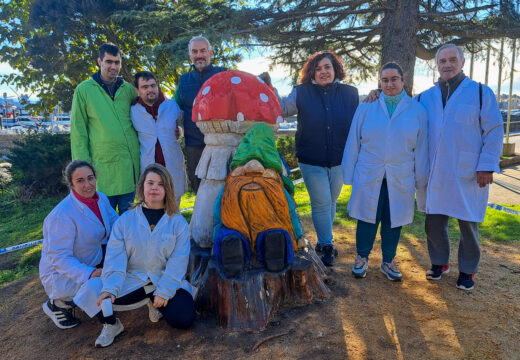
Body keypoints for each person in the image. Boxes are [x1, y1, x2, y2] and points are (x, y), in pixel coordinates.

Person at [365, 44, 503, 290]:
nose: (447, 65)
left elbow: (493, 131)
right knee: (434, 222)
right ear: (437, 65)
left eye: (452, 60)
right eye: (442, 61)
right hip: (434, 172)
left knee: (468, 223)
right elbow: (401, 109)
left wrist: (487, 166)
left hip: (468, 172)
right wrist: (378, 92)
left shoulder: (481, 93)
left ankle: (468, 270)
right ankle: (440, 263)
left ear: (462, 63)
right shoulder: (424, 97)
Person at [342, 62, 429, 281]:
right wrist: (348, 174)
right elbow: (353, 142)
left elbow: (421, 148)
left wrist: (421, 180)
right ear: (380, 82)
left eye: (394, 79)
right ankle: (362, 257)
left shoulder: (417, 111)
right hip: (369, 174)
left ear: (403, 80)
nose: (389, 84)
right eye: (385, 80)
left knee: (393, 219)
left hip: (400, 176)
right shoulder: (366, 107)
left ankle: (388, 260)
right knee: (366, 218)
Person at [93, 163, 196, 348]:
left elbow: (178, 261)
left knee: (184, 319)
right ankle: (111, 325)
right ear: (142, 187)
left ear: (168, 189)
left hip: (163, 279)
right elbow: (115, 259)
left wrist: (165, 291)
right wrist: (110, 288)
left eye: (161, 184)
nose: (155, 188)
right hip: (133, 279)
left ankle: (155, 303)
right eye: (150, 183)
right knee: (92, 292)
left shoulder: (177, 222)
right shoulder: (125, 220)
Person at [276, 50, 359, 266]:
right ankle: (327, 243)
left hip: (340, 158)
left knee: (330, 202)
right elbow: (283, 108)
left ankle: (324, 241)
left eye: (327, 67)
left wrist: (376, 96)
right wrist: (268, 89)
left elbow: (363, 117)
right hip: (311, 159)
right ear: (311, 72)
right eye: (318, 68)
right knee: (321, 202)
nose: (323, 72)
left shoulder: (350, 94)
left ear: (335, 69)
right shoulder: (301, 92)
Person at [40, 160, 118, 329]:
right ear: (71, 184)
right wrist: (89, 273)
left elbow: (116, 225)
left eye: (90, 178)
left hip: (90, 258)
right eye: (80, 180)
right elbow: (60, 258)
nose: (88, 185)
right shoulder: (61, 216)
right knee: (100, 290)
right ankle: (58, 304)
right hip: (61, 274)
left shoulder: (101, 198)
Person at [70, 43, 140, 214]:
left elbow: (146, 109)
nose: (113, 66)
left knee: (127, 225)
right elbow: (78, 131)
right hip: (102, 173)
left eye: (117, 62)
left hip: (128, 171)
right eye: (109, 61)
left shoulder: (128, 90)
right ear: (99, 61)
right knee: (102, 227)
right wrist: (81, 169)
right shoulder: (84, 90)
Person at [174, 35, 226, 193]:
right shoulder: (183, 81)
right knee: (200, 190)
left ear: (210, 52)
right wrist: (175, 127)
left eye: (203, 50)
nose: (199, 55)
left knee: (224, 188)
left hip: (221, 145)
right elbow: (175, 110)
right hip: (194, 146)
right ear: (190, 55)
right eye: (194, 51)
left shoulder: (223, 75)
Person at [131, 71, 188, 205]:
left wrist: (179, 131)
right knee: (151, 209)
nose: (150, 90)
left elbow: (186, 125)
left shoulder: (172, 106)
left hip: (172, 166)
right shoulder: (133, 111)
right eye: (145, 87)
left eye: (153, 85)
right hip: (149, 168)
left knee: (174, 208)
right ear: (137, 90)